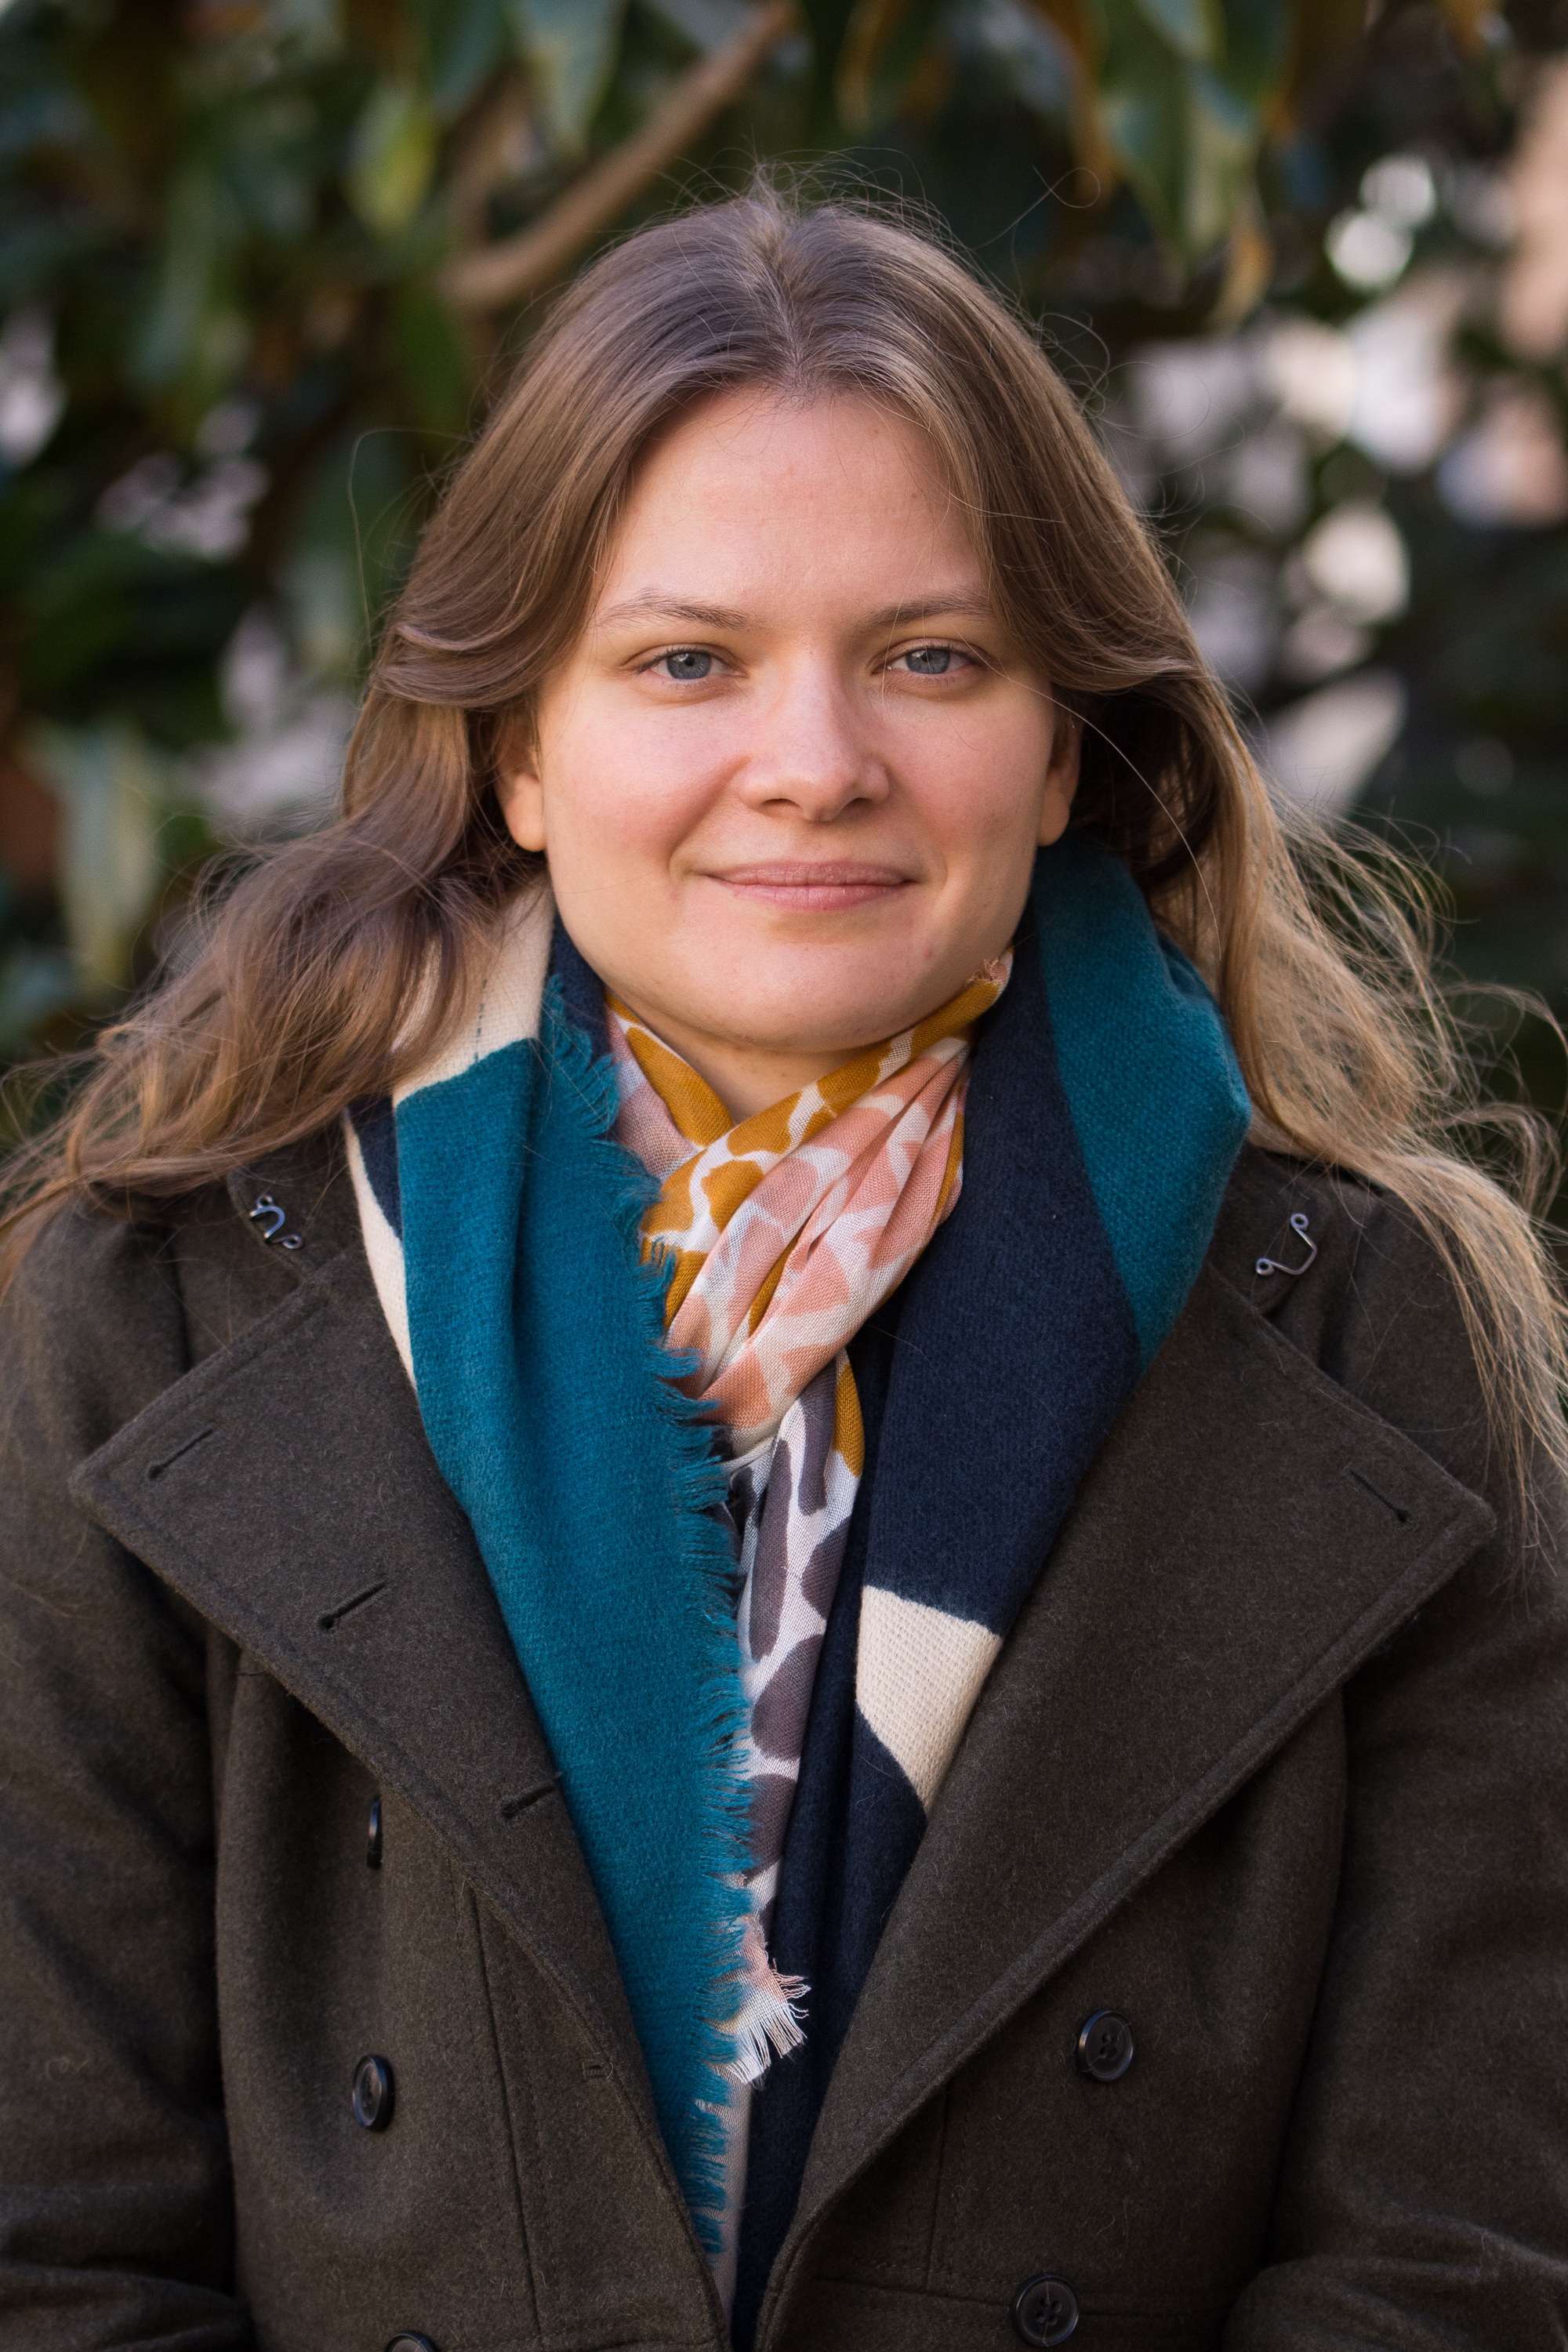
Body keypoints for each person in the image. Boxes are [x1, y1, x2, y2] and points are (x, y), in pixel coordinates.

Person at [2, 183, 1566, 2352]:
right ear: (522, 746)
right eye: (686, 662)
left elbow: (1461, 2261)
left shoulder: (1375, 1336)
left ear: (1063, 742)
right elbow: (52, 2252)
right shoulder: (152, 1320)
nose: (815, 764)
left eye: (931, 657)